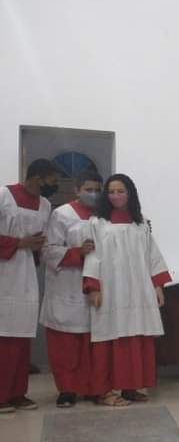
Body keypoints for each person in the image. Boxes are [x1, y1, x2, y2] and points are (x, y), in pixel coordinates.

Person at [83, 174, 171, 407]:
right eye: (111, 192)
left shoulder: (140, 222)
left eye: (120, 191)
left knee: (135, 333)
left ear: (129, 193)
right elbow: (93, 256)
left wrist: (157, 285)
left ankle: (130, 387)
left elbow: (152, 255)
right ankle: (104, 391)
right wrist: (93, 287)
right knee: (109, 336)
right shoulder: (97, 222)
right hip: (111, 288)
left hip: (138, 288)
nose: (116, 196)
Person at [0, 159, 60, 414]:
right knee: (4, 337)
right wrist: (18, 243)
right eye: (52, 180)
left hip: (27, 275)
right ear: (36, 177)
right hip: (4, 271)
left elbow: (44, 241)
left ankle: (17, 393)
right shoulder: (4, 194)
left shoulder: (45, 205)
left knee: (23, 334)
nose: (54, 186)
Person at [41, 170, 102, 407]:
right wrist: (78, 253)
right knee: (65, 344)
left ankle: (91, 387)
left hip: (94, 286)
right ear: (77, 190)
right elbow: (48, 250)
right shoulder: (62, 214)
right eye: (88, 189)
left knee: (92, 342)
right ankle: (67, 390)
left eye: (97, 190)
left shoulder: (103, 215)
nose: (93, 194)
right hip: (66, 284)